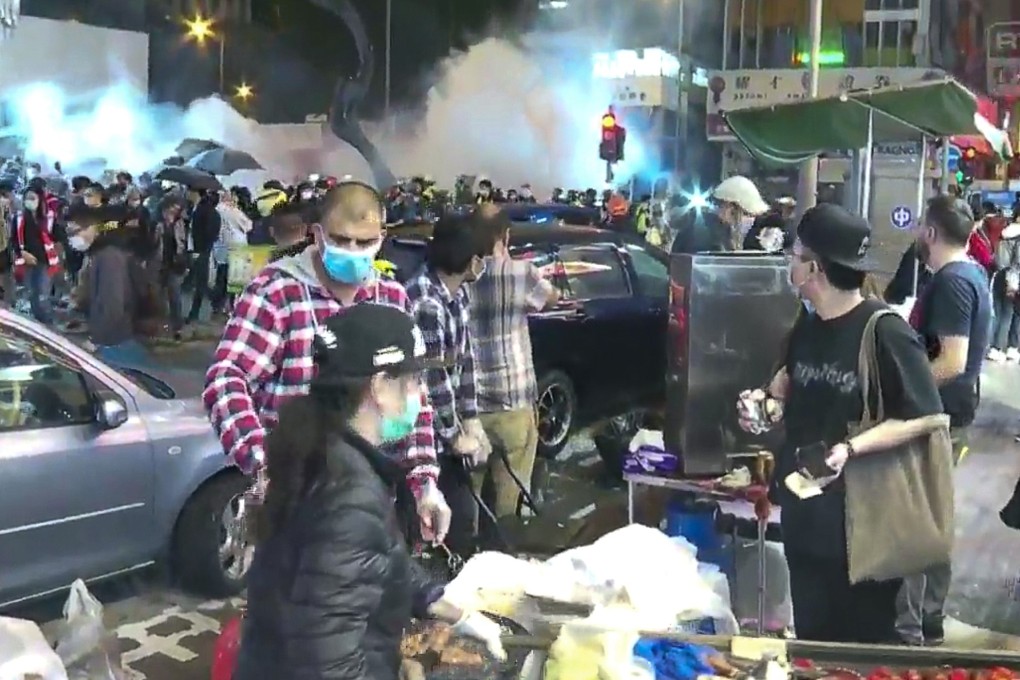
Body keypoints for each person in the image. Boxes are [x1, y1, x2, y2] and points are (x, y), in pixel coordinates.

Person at [234, 305, 504, 680]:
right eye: (412, 380)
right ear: (379, 386)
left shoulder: (322, 450)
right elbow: (328, 666)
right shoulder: (347, 492)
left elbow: (366, 558)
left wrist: (440, 602)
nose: (419, 393)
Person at [738, 203, 943, 644]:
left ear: (814, 267)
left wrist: (852, 448)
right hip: (806, 520)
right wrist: (761, 410)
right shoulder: (806, 329)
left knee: (871, 649)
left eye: (794, 254)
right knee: (816, 644)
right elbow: (782, 396)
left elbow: (925, 415)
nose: (788, 262)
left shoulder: (883, 331)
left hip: (867, 527)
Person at [203, 182, 450, 543]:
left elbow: (413, 398)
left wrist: (425, 483)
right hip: (300, 499)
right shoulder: (277, 292)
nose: (352, 252)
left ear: (382, 237)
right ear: (316, 235)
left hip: (371, 495)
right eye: (341, 240)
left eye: (364, 243)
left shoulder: (391, 297)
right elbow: (226, 379)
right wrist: (266, 466)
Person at [898, 195, 990, 645]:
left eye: (920, 225)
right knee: (931, 514)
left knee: (920, 519)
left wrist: (904, 391)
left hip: (940, 416)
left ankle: (914, 624)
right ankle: (926, 617)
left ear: (931, 232)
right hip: (947, 414)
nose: (917, 232)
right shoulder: (967, 275)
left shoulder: (954, 281)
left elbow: (952, 361)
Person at [405, 213, 491, 555]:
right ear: (470, 261)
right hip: (423, 438)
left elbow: (464, 360)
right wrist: (455, 436)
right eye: (481, 258)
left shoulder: (458, 297)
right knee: (434, 531)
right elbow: (432, 376)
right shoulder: (426, 302)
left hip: (448, 435)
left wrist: (472, 421)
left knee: (461, 526)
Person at [469, 206, 559, 521]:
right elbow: (551, 298)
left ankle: (467, 557)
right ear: (504, 235)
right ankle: (506, 551)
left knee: (469, 497)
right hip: (513, 402)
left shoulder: (458, 275)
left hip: (469, 408)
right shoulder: (522, 273)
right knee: (512, 492)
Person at [672, 175, 770, 255]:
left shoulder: (723, 233)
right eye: (746, 214)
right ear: (730, 209)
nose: (750, 220)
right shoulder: (707, 237)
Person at [11, 187, 56, 324]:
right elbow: (14, 239)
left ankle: (46, 322)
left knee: (43, 292)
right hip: (27, 260)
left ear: (39, 199)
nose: (29, 201)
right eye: (27, 198)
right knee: (31, 292)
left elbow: (55, 236)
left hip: (44, 260)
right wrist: (22, 253)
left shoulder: (48, 217)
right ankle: (37, 322)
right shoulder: (19, 218)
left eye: (33, 198)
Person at [186, 188, 221, 323]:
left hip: (200, 250)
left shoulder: (204, 211)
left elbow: (207, 233)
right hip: (199, 250)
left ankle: (196, 313)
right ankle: (199, 309)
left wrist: (199, 250)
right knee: (199, 282)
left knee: (200, 282)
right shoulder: (199, 209)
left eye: (190, 191)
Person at [155, 197, 189, 341]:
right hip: (160, 263)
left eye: (176, 209)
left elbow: (184, 243)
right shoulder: (158, 224)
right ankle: (160, 326)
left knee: (174, 296)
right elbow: (153, 243)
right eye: (171, 209)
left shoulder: (180, 224)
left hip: (175, 264)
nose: (173, 212)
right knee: (159, 296)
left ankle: (177, 327)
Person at [989, 218, 1020, 363]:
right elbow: (1018, 259)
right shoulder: (1018, 234)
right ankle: (1002, 348)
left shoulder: (1003, 230)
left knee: (998, 312)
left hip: (999, 272)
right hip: (1013, 276)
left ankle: (993, 347)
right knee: (1009, 313)